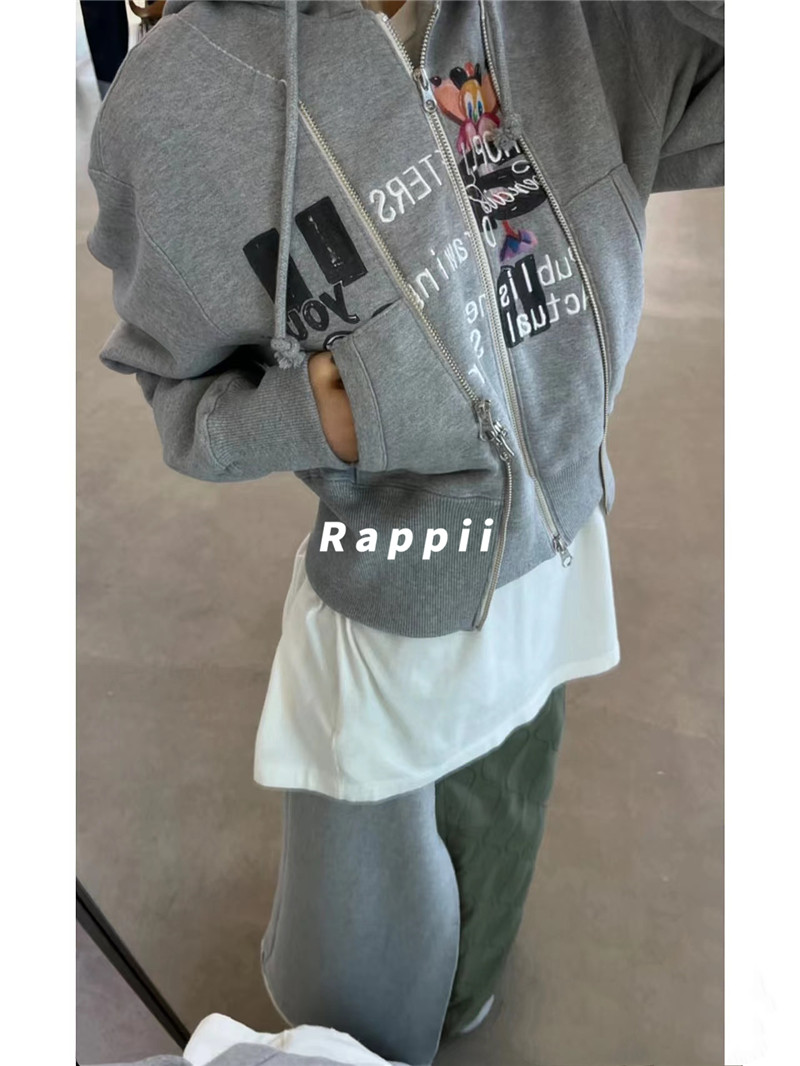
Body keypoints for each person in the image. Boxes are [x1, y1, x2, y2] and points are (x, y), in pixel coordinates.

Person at [85, 1, 724, 1063]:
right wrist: (313, 416)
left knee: (506, 793)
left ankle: (470, 981)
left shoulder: (582, 20)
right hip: (392, 583)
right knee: (358, 975)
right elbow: (180, 402)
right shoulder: (173, 107)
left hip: (560, 545)